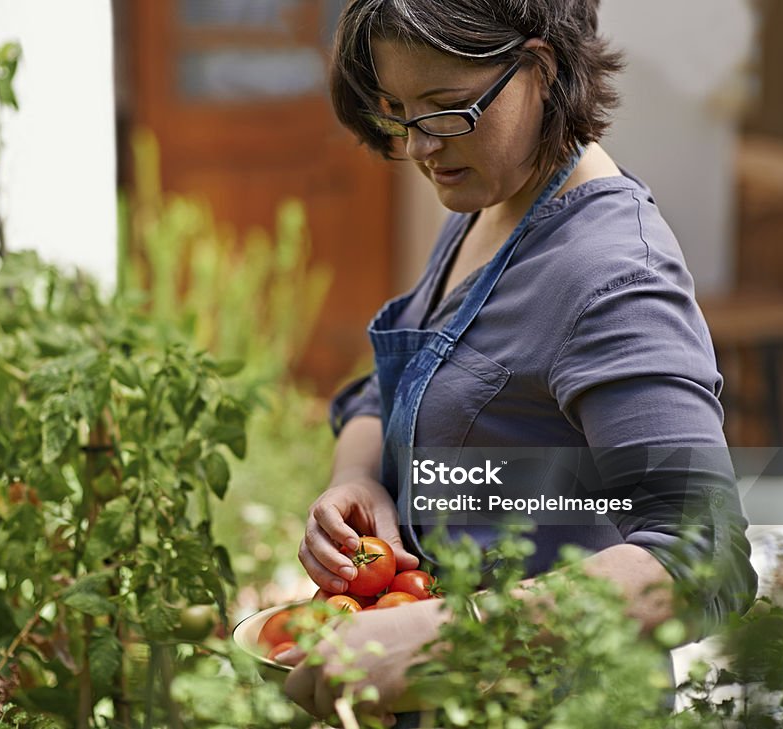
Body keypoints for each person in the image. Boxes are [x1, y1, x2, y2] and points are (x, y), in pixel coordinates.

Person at [279, 0, 758, 723]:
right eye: (398, 109)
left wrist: (454, 639)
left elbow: (703, 558)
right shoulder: (490, 205)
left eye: (446, 108)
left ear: (541, 68)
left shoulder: (612, 273)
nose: (418, 147)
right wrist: (356, 482)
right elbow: (396, 387)